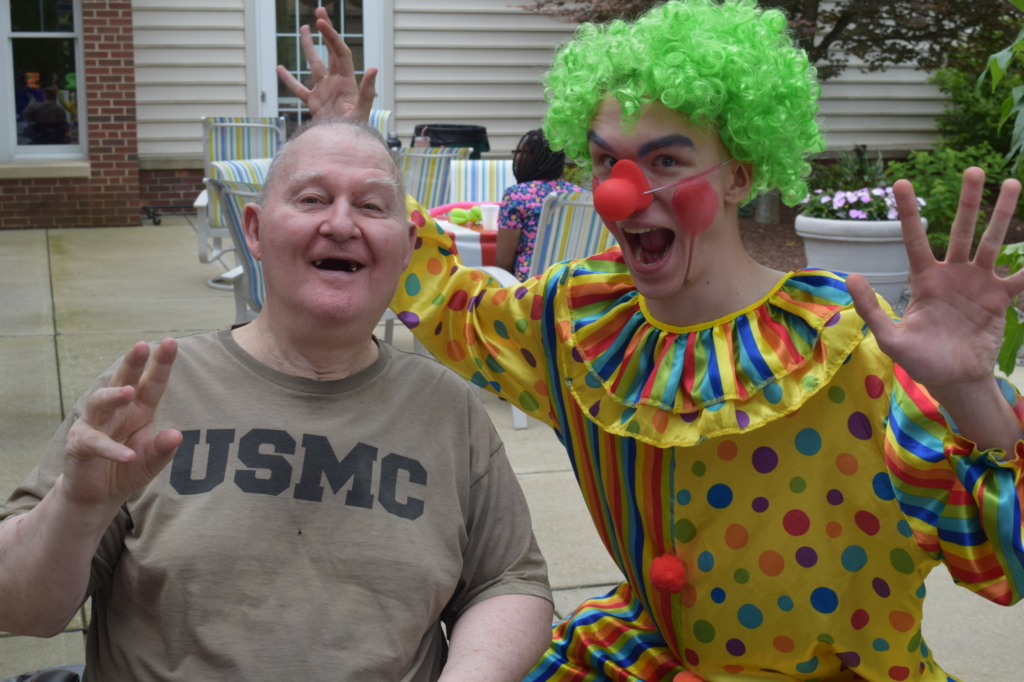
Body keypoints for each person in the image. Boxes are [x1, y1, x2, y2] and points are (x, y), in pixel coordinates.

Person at [289, 2, 1024, 680]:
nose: (621, 193)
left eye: (666, 162)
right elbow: (448, 299)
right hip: (642, 655)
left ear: (739, 176)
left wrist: (970, 393)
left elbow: (1005, 557)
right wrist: (351, 144)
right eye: (606, 162)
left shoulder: (847, 344)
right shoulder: (575, 320)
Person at [0, 117, 553, 681]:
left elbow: (509, 582)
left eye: (371, 206)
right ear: (256, 230)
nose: (342, 224)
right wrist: (76, 509)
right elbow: (22, 610)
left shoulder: (448, 410)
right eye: (312, 199)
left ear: (408, 246)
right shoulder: (147, 394)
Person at [496, 129, 583, 280]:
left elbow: (504, 262)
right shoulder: (579, 195)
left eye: (521, 152)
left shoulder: (516, 195)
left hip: (529, 285)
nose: (516, 158)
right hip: (572, 281)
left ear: (539, 157)